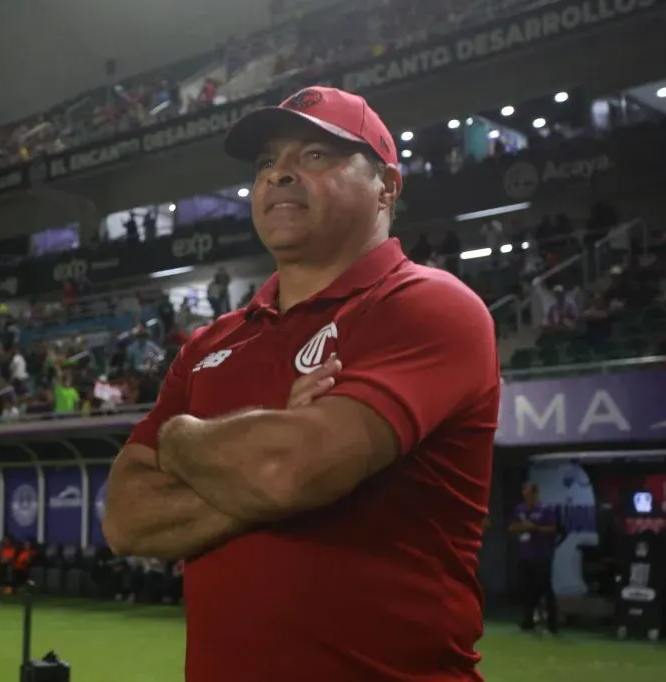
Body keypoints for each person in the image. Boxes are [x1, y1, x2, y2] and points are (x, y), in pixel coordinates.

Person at [102, 86, 499, 682]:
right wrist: (274, 462)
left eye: (314, 155)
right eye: (267, 162)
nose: (279, 175)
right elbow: (127, 519)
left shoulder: (427, 305)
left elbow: (286, 473)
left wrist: (185, 442)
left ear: (387, 187)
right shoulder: (211, 344)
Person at [509, 482, 559, 634]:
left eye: (530, 494)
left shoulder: (545, 510)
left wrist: (535, 528)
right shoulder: (520, 510)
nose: (527, 497)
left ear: (535, 494)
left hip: (541, 555)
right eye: (525, 494)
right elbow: (512, 527)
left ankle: (552, 623)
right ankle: (528, 621)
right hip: (525, 554)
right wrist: (524, 527)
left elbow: (553, 528)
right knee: (526, 589)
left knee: (545, 588)